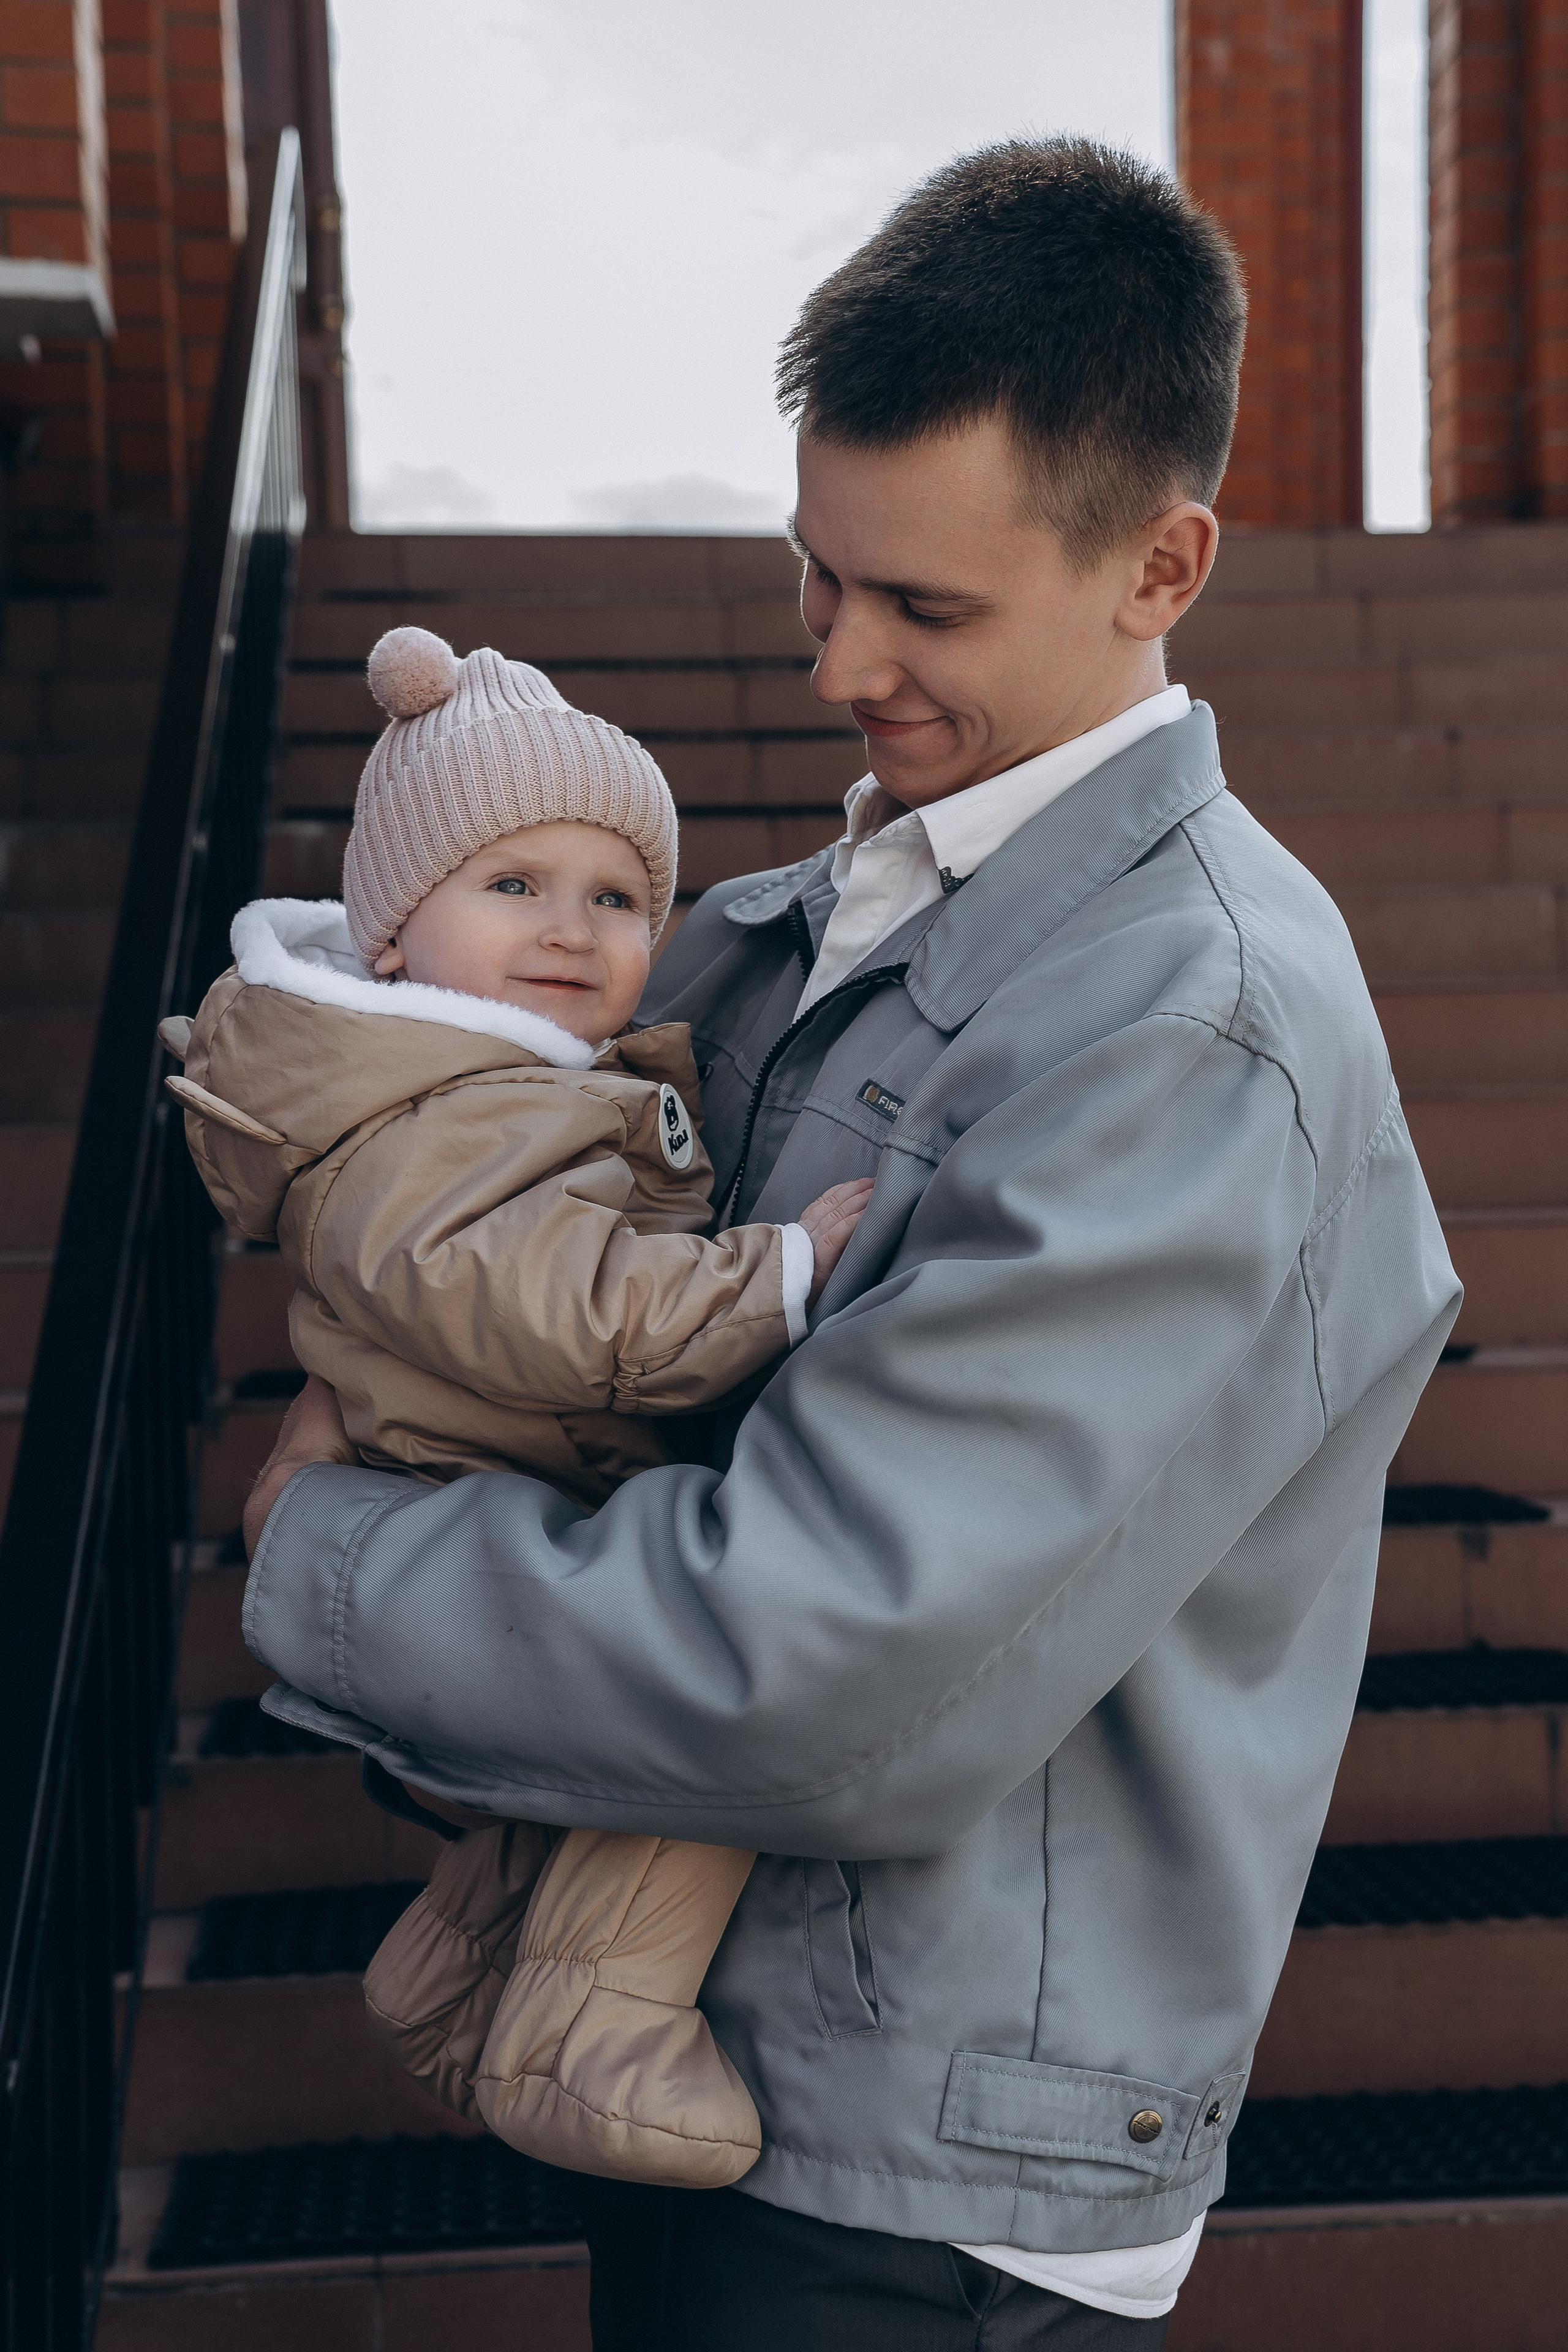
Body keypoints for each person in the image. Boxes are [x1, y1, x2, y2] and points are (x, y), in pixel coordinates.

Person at [239, 138, 1461, 2349]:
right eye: (821, 576)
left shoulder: (1193, 1027)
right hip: (739, 2073)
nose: (839, 664)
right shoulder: (808, 922)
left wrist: (330, 1556)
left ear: (1161, 562)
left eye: (928, 609)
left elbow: (821, 1673)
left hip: (924, 2200)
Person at [162, 628, 871, 2188]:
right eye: (512, 886)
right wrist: (772, 1275)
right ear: (393, 931)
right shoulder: (430, 1120)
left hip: (502, 1484)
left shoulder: (480, 1086)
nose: (571, 930)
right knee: (703, 1738)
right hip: (504, 1473)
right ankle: (590, 2032)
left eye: (616, 897)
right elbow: (556, 1318)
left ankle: (452, 1978)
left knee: (569, 1780)